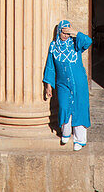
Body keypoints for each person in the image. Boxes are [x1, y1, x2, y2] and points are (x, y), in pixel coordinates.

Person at [43, 19, 92, 150]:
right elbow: (50, 67)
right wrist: (48, 85)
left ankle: (79, 139)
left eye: (67, 32)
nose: (66, 35)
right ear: (59, 32)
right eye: (63, 32)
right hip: (62, 83)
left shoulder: (76, 44)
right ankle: (65, 133)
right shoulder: (53, 46)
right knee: (64, 106)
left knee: (79, 107)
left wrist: (75, 33)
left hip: (79, 82)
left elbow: (88, 41)